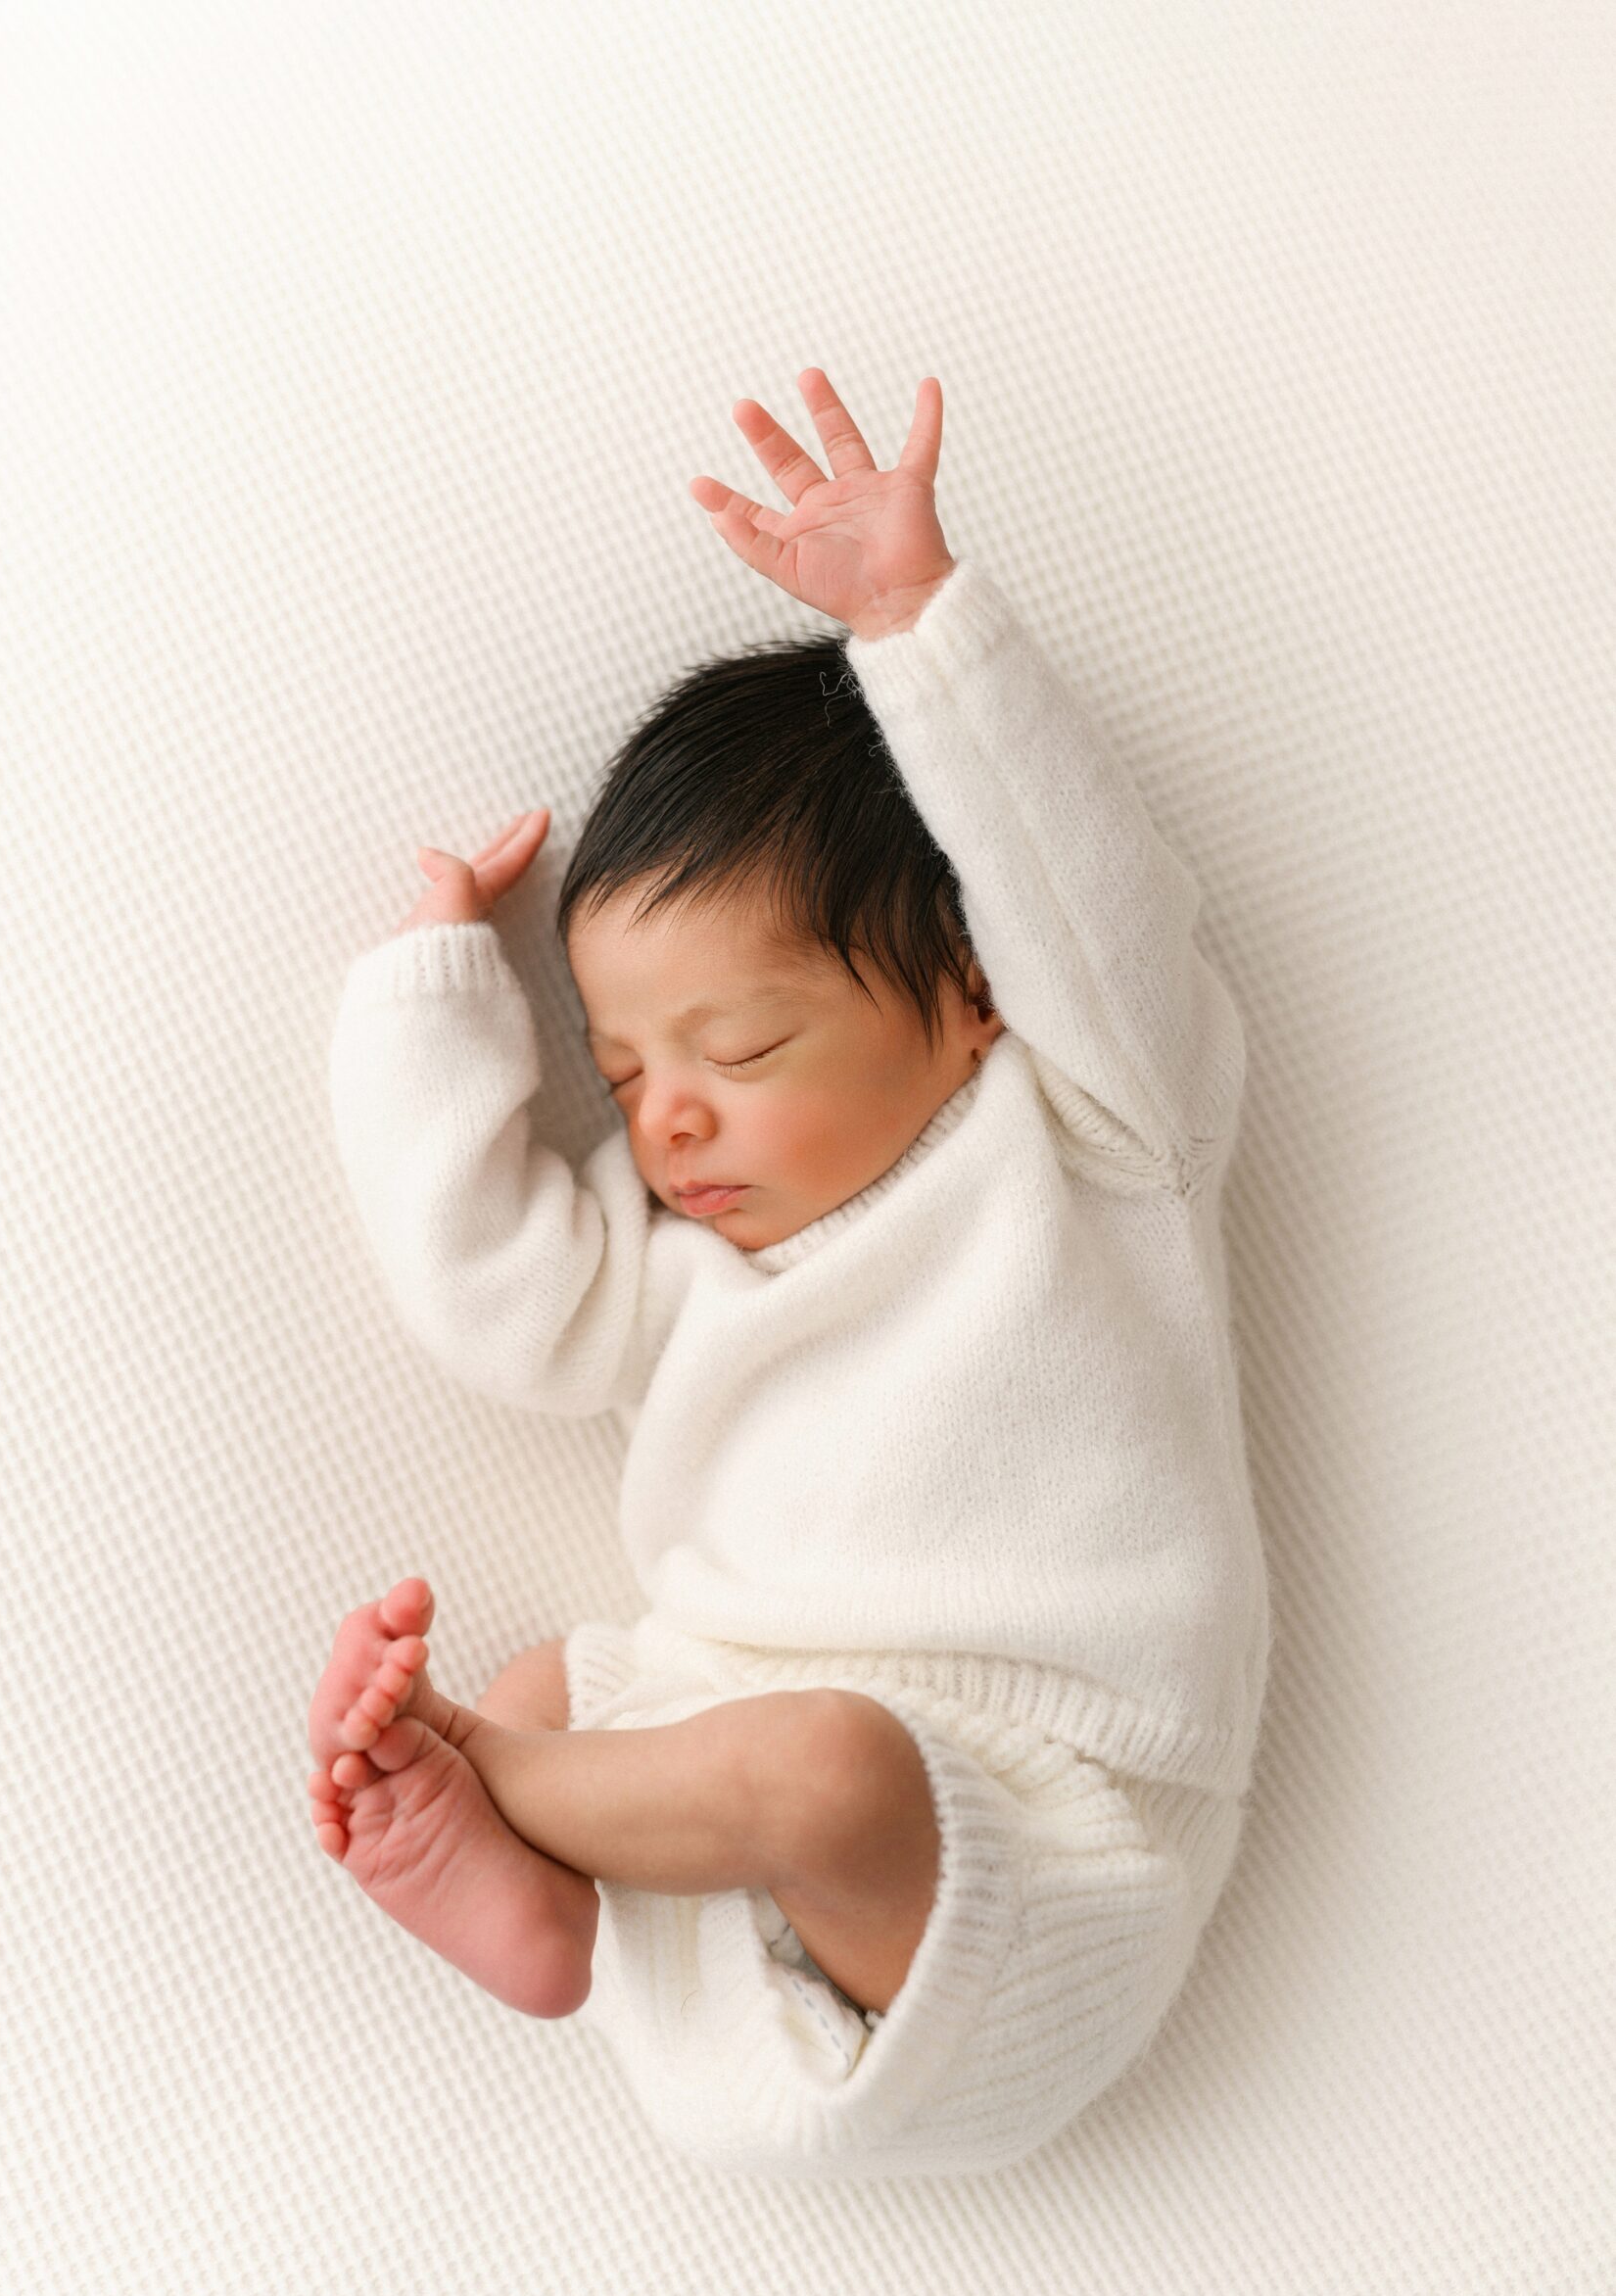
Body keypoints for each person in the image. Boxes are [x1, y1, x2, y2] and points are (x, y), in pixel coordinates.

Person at [309, 368, 1269, 2179]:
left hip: (1046, 1843)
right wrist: (431, 1006)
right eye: (621, 1076)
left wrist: (918, 627)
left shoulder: (1090, 1138)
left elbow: (1091, 902)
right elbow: (486, 1290)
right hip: (713, 1844)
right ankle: (535, 1901)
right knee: (564, 1680)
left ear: (974, 989)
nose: (668, 1119)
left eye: (738, 1050)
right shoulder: (676, 1263)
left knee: (819, 1764)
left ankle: (496, 1786)